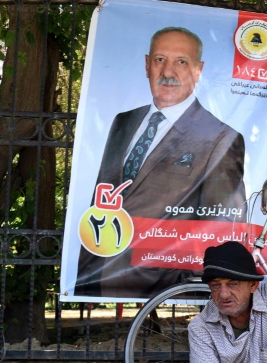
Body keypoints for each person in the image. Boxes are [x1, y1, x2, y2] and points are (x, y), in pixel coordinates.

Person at [75, 27, 246, 298]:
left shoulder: (220, 137)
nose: (168, 72)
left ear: (198, 70)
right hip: (96, 275)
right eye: (159, 59)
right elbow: (102, 196)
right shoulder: (124, 121)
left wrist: (185, 287)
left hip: (163, 290)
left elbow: (221, 225)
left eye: (181, 62)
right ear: (147, 65)